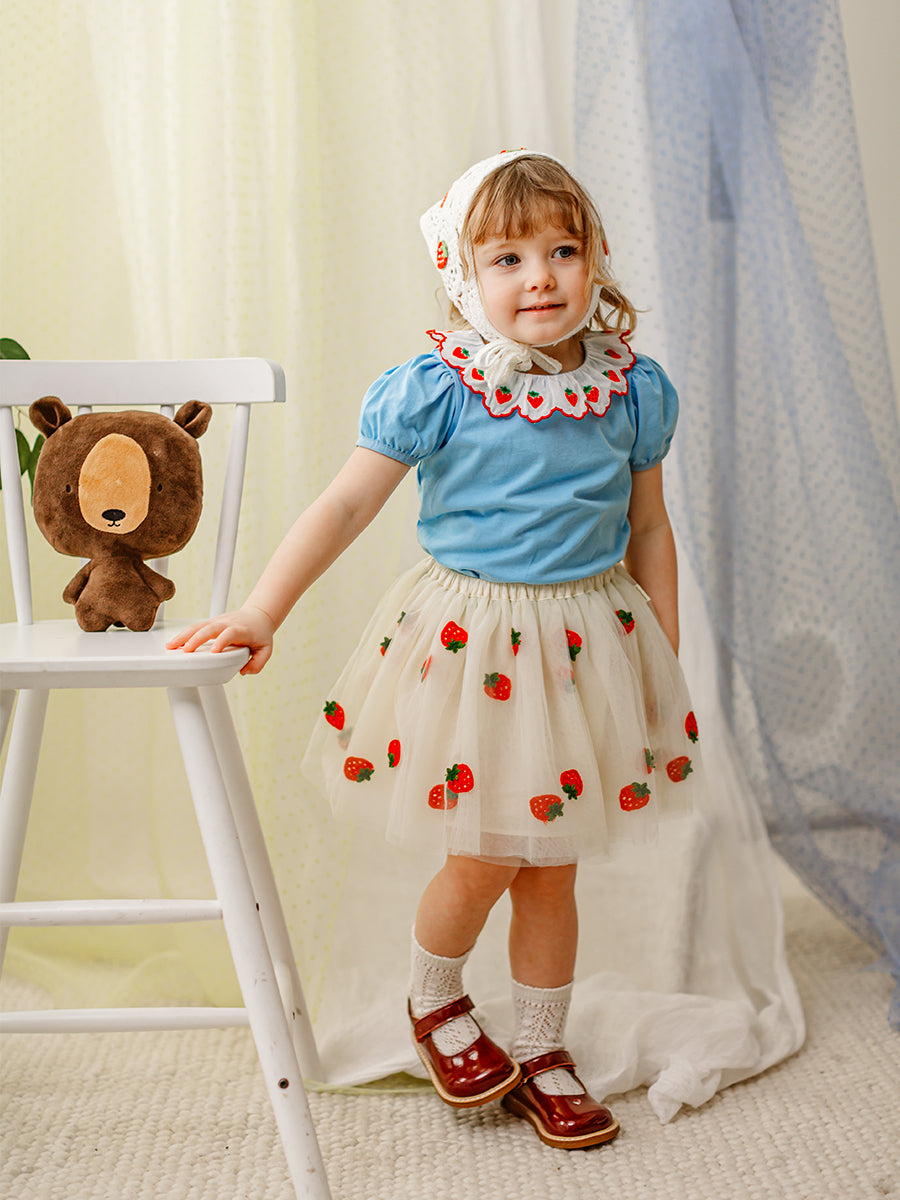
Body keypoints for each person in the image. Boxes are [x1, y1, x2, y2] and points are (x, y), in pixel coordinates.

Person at [168, 150, 702, 1150]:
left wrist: (661, 657)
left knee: (553, 869)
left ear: (595, 260)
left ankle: (541, 1047)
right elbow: (345, 505)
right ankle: (435, 998)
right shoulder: (438, 386)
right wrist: (261, 610)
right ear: (463, 277)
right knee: (486, 854)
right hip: (477, 654)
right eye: (507, 258)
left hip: (586, 647)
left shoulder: (633, 390)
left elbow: (650, 528)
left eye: (562, 250)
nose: (540, 277)